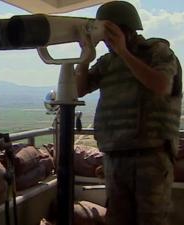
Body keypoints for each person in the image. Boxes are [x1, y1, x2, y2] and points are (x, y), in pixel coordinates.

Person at [76, 1, 182, 225]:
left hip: (150, 155)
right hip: (116, 156)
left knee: (151, 219)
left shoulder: (158, 52)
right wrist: (84, 59)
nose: (106, 41)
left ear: (126, 29)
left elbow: (162, 85)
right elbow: (78, 89)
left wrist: (124, 52)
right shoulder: (107, 62)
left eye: (110, 32)